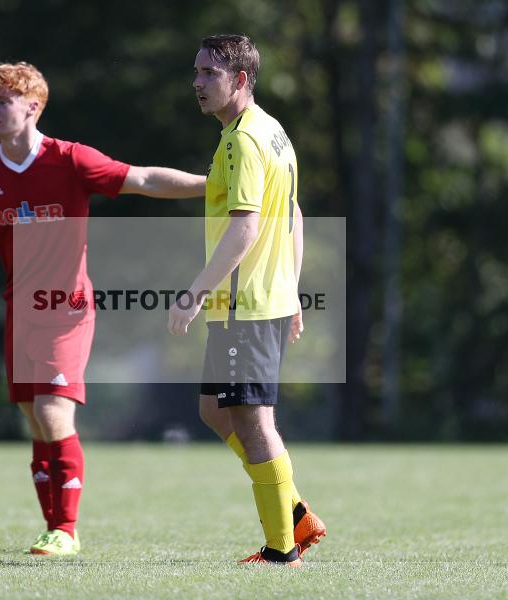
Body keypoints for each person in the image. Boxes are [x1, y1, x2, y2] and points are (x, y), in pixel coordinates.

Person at [0, 62, 205, 556]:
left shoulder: (69, 159)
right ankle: (53, 525)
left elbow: (144, 179)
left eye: (2, 101)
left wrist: (213, 184)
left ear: (32, 107)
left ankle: (66, 530)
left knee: (53, 412)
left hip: (67, 307)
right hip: (20, 309)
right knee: (34, 419)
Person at [168, 34, 326, 566]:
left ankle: (283, 547)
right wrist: (294, 289)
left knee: (256, 424)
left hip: (247, 308)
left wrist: (194, 292)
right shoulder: (270, 130)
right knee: (215, 411)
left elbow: (245, 230)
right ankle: (296, 510)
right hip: (262, 301)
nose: (197, 82)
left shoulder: (243, 141)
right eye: (196, 72)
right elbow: (295, 215)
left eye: (209, 73)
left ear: (239, 80)